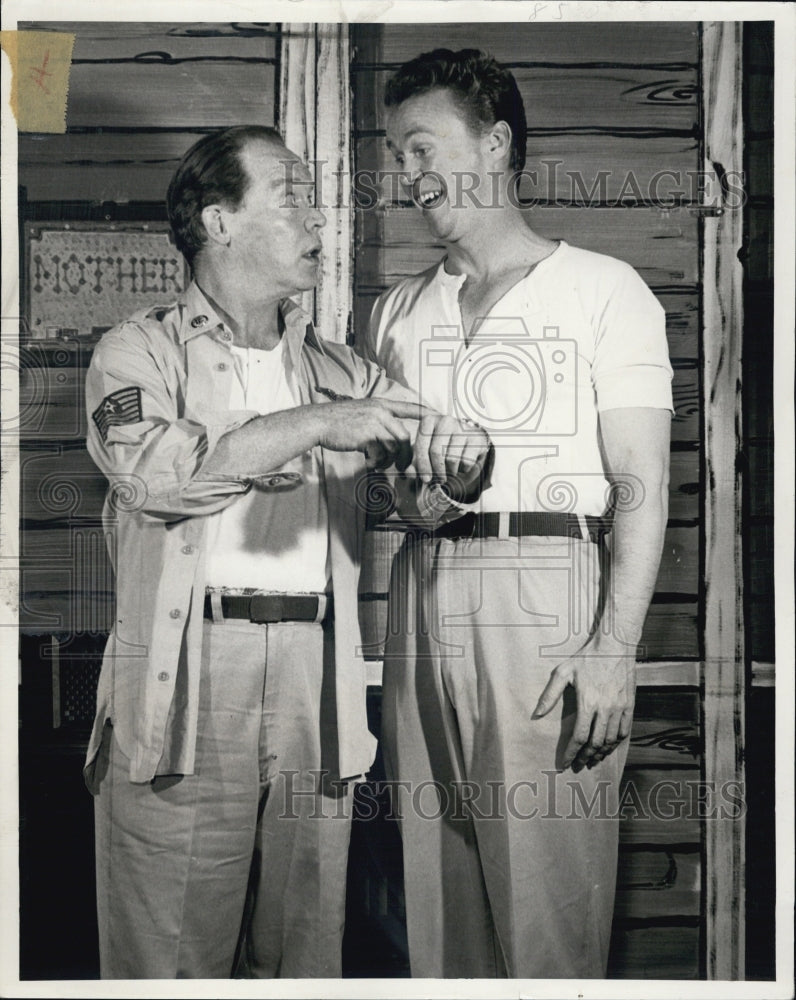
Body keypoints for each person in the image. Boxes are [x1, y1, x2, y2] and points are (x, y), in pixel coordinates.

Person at [82, 124, 490, 979]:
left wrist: (456, 466)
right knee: (169, 962)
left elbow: (416, 500)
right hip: (192, 677)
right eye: (293, 194)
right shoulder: (137, 351)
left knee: (304, 954)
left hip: (318, 680)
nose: (318, 215)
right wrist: (315, 425)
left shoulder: (346, 371)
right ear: (217, 219)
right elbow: (155, 475)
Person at [361, 49, 673, 978]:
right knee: (437, 893)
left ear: (495, 145)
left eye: (422, 149)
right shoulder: (394, 314)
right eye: (395, 155)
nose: (406, 176)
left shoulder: (605, 290)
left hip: (548, 590)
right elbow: (386, 488)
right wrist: (418, 498)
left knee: (547, 906)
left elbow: (639, 483)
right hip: (424, 589)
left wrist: (614, 647)